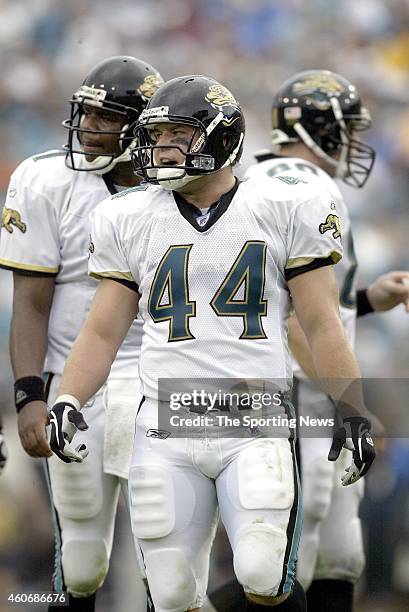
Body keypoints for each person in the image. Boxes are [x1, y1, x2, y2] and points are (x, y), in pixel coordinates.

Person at [47, 74, 376, 612]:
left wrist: (352, 409)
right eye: (157, 135)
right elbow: (101, 331)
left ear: (220, 138)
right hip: (167, 421)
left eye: (176, 135)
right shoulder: (128, 216)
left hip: (255, 415)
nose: (159, 148)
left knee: (263, 573)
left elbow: (320, 324)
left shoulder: (282, 206)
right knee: (174, 590)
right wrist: (67, 398)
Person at [226, 69, 409, 612]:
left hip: (292, 390)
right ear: (322, 129)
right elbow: (291, 323)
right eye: (346, 128)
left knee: (337, 557)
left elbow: (309, 306)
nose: (353, 142)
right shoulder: (306, 188)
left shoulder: (256, 177)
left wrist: (370, 299)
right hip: (294, 398)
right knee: (286, 568)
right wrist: (348, 404)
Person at [0, 55, 163, 612]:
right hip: (76, 384)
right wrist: (30, 394)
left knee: (167, 549)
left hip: (161, 386)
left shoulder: (181, 187)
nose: (89, 127)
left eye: (105, 117)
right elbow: (32, 301)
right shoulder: (47, 180)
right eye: (85, 113)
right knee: (82, 565)